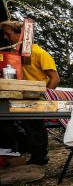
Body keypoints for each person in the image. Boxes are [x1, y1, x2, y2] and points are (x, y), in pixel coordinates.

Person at [1, 20, 60, 165]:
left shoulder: (40, 53)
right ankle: (20, 153)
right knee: (12, 125)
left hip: (35, 98)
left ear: (20, 34)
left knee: (34, 127)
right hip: (18, 96)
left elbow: (55, 78)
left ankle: (39, 158)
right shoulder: (15, 55)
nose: (5, 37)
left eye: (8, 34)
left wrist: (45, 97)